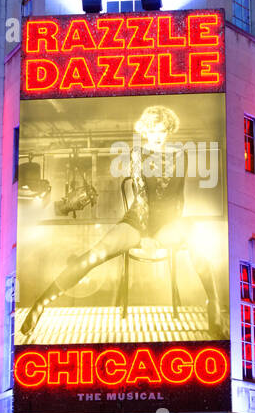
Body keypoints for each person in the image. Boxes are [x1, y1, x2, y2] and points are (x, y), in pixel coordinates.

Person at [20, 105, 224, 338]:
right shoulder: (138, 155)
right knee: (94, 255)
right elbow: (142, 195)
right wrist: (146, 236)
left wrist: (174, 226)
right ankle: (41, 303)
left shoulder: (180, 155)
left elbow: (179, 196)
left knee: (194, 232)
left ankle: (213, 305)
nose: (159, 136)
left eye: (163, 131)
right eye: (154, 131)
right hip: (138, 219)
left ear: (169, 131)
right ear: (146, 131)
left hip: (169, 221)